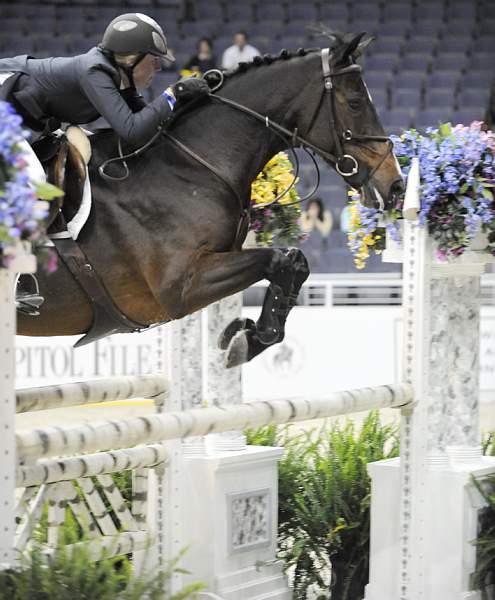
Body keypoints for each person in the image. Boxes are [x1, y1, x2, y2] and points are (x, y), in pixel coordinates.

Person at [0, 13, 210, 147]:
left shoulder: (116, 75)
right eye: (154, 59)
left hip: (26, 113)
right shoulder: (94, 70)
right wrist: (174, 92)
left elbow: (149, 123)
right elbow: (133, 131)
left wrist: (183, 103)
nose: (158, 67)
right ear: (132, 57)